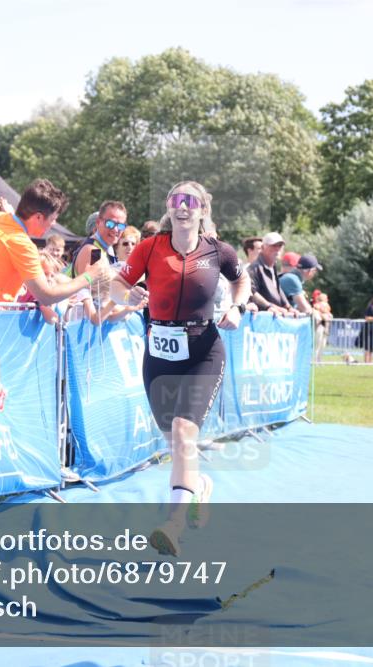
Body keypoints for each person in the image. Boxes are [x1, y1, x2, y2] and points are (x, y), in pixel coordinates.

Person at [111, 180, 251, 556]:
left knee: (184, 431)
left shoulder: (218, 251)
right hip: (158, 353)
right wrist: (129, 293)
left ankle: (172, 525)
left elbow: (243, 281)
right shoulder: (149, 247)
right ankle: (200, 486)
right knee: (173, 439)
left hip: (203, 351)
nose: (182, 206)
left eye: (190, 201)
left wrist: (236, 307)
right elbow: (115, 286)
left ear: (202, 209)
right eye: (175, 200)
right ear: (169, 208)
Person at [0, 179, 108, 304]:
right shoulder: (23, 245)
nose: (53, 225)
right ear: (38, 217)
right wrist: (88, 276)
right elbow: (46, 296)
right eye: (53, 219)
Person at [73, 201, 127, 277]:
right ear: (98, 222)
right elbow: (92, 286)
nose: (115, 229)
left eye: (120, 226)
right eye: (110, 224)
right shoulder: (94, 251)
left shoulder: (107, 249)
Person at [247, 232, 292, 315]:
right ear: (263, 247)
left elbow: (277, 289)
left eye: (280, 246)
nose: (277, 249)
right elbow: (251, 292)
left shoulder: (272, 266)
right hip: (261, 321)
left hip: (274, 319)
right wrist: (269, 306)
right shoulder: (254, 268)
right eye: (274, 245)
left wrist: (288, 307)